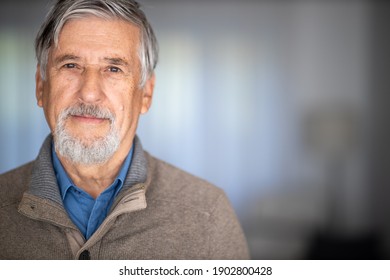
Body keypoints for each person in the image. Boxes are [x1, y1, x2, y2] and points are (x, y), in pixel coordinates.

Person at [0, 0, 249, 260]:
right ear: (41, 86)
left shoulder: (208, 214)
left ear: (146, 94)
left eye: (113, 69)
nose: (89, 93)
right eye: (71, 65)